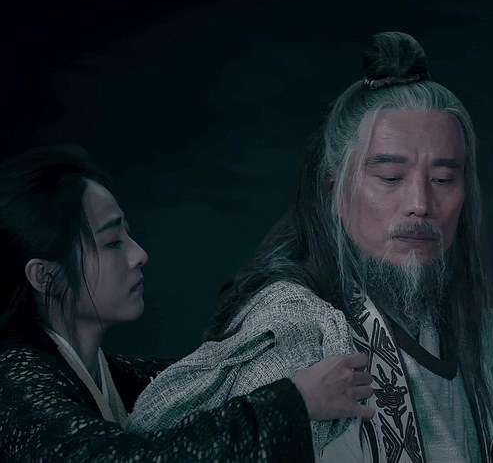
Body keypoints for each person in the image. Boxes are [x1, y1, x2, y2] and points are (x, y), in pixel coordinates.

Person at [129, 32, 493, 462]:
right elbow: (153, 441)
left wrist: (482, 339)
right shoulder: (301, 328)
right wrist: (288, 403)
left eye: (443, 179)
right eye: (390, 178)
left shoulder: (471, 332)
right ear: (335, 189)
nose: (421, 204)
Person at [0, 146, 376, 461]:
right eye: (112, 242)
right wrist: (294, 402)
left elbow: (207, 380)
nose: (139, 254)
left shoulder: (110, 376)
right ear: (45, 276)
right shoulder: (13, 384)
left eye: (128, 235)